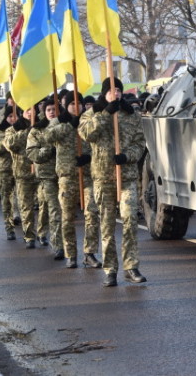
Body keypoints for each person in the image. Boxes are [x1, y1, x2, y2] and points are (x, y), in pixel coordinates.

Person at [79, 78, 146, 287]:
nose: (115, 94)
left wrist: (127, 156)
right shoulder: (91, 114)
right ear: (104, 92)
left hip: (126, 177)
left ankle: (131, 266)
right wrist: (106, 113)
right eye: (111, 90)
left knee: (129, 221)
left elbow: (140, 142)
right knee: (107, 226)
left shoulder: (131, 115)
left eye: (118, 90)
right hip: (102, 178)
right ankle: (110, 270)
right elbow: (87, 134)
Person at [47, 91, 102, 269]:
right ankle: (71, 254)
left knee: (92, 213)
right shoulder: (58, 122)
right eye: (72, 104)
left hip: (87, 175)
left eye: (78, 104)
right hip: (67, 176)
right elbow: (47, 137)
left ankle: (90, 252)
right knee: (67, 216)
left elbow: (101, 142)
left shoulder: (88, 120)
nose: (76, 107)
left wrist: (89, 157)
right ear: (66, 105)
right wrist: (68, 125)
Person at [27, 97, 61, 253]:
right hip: (46, 175)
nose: (52, 112)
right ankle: (57, 244)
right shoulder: (37, 130)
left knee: (47, 207)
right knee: (53, 207)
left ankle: (42, 231)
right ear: (44, 112)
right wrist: (48, 150)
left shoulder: (64, 126)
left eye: (55, 109)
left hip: (64, 174)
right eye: (49, 110)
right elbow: (32, 153)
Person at [3, 108, 38, 249]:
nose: (30, 112)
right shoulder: (13, 130)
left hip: (43, 173)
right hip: (23, 174)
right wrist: (26, 131)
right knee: (26, 207)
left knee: (46, 206)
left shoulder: (43, 124)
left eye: (33, 109)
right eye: (27, 109)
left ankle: (42, 232)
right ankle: (29, 236)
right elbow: (9, 144)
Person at [0, 106, 18, 240]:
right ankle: (9, 227)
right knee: (6, 198)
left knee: (24, 200)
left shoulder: (22, 129)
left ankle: (28, 230)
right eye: (10, 116)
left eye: (15, 116)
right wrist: (6, 143)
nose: (13, 119)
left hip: (21, 170)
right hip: (5, 169)